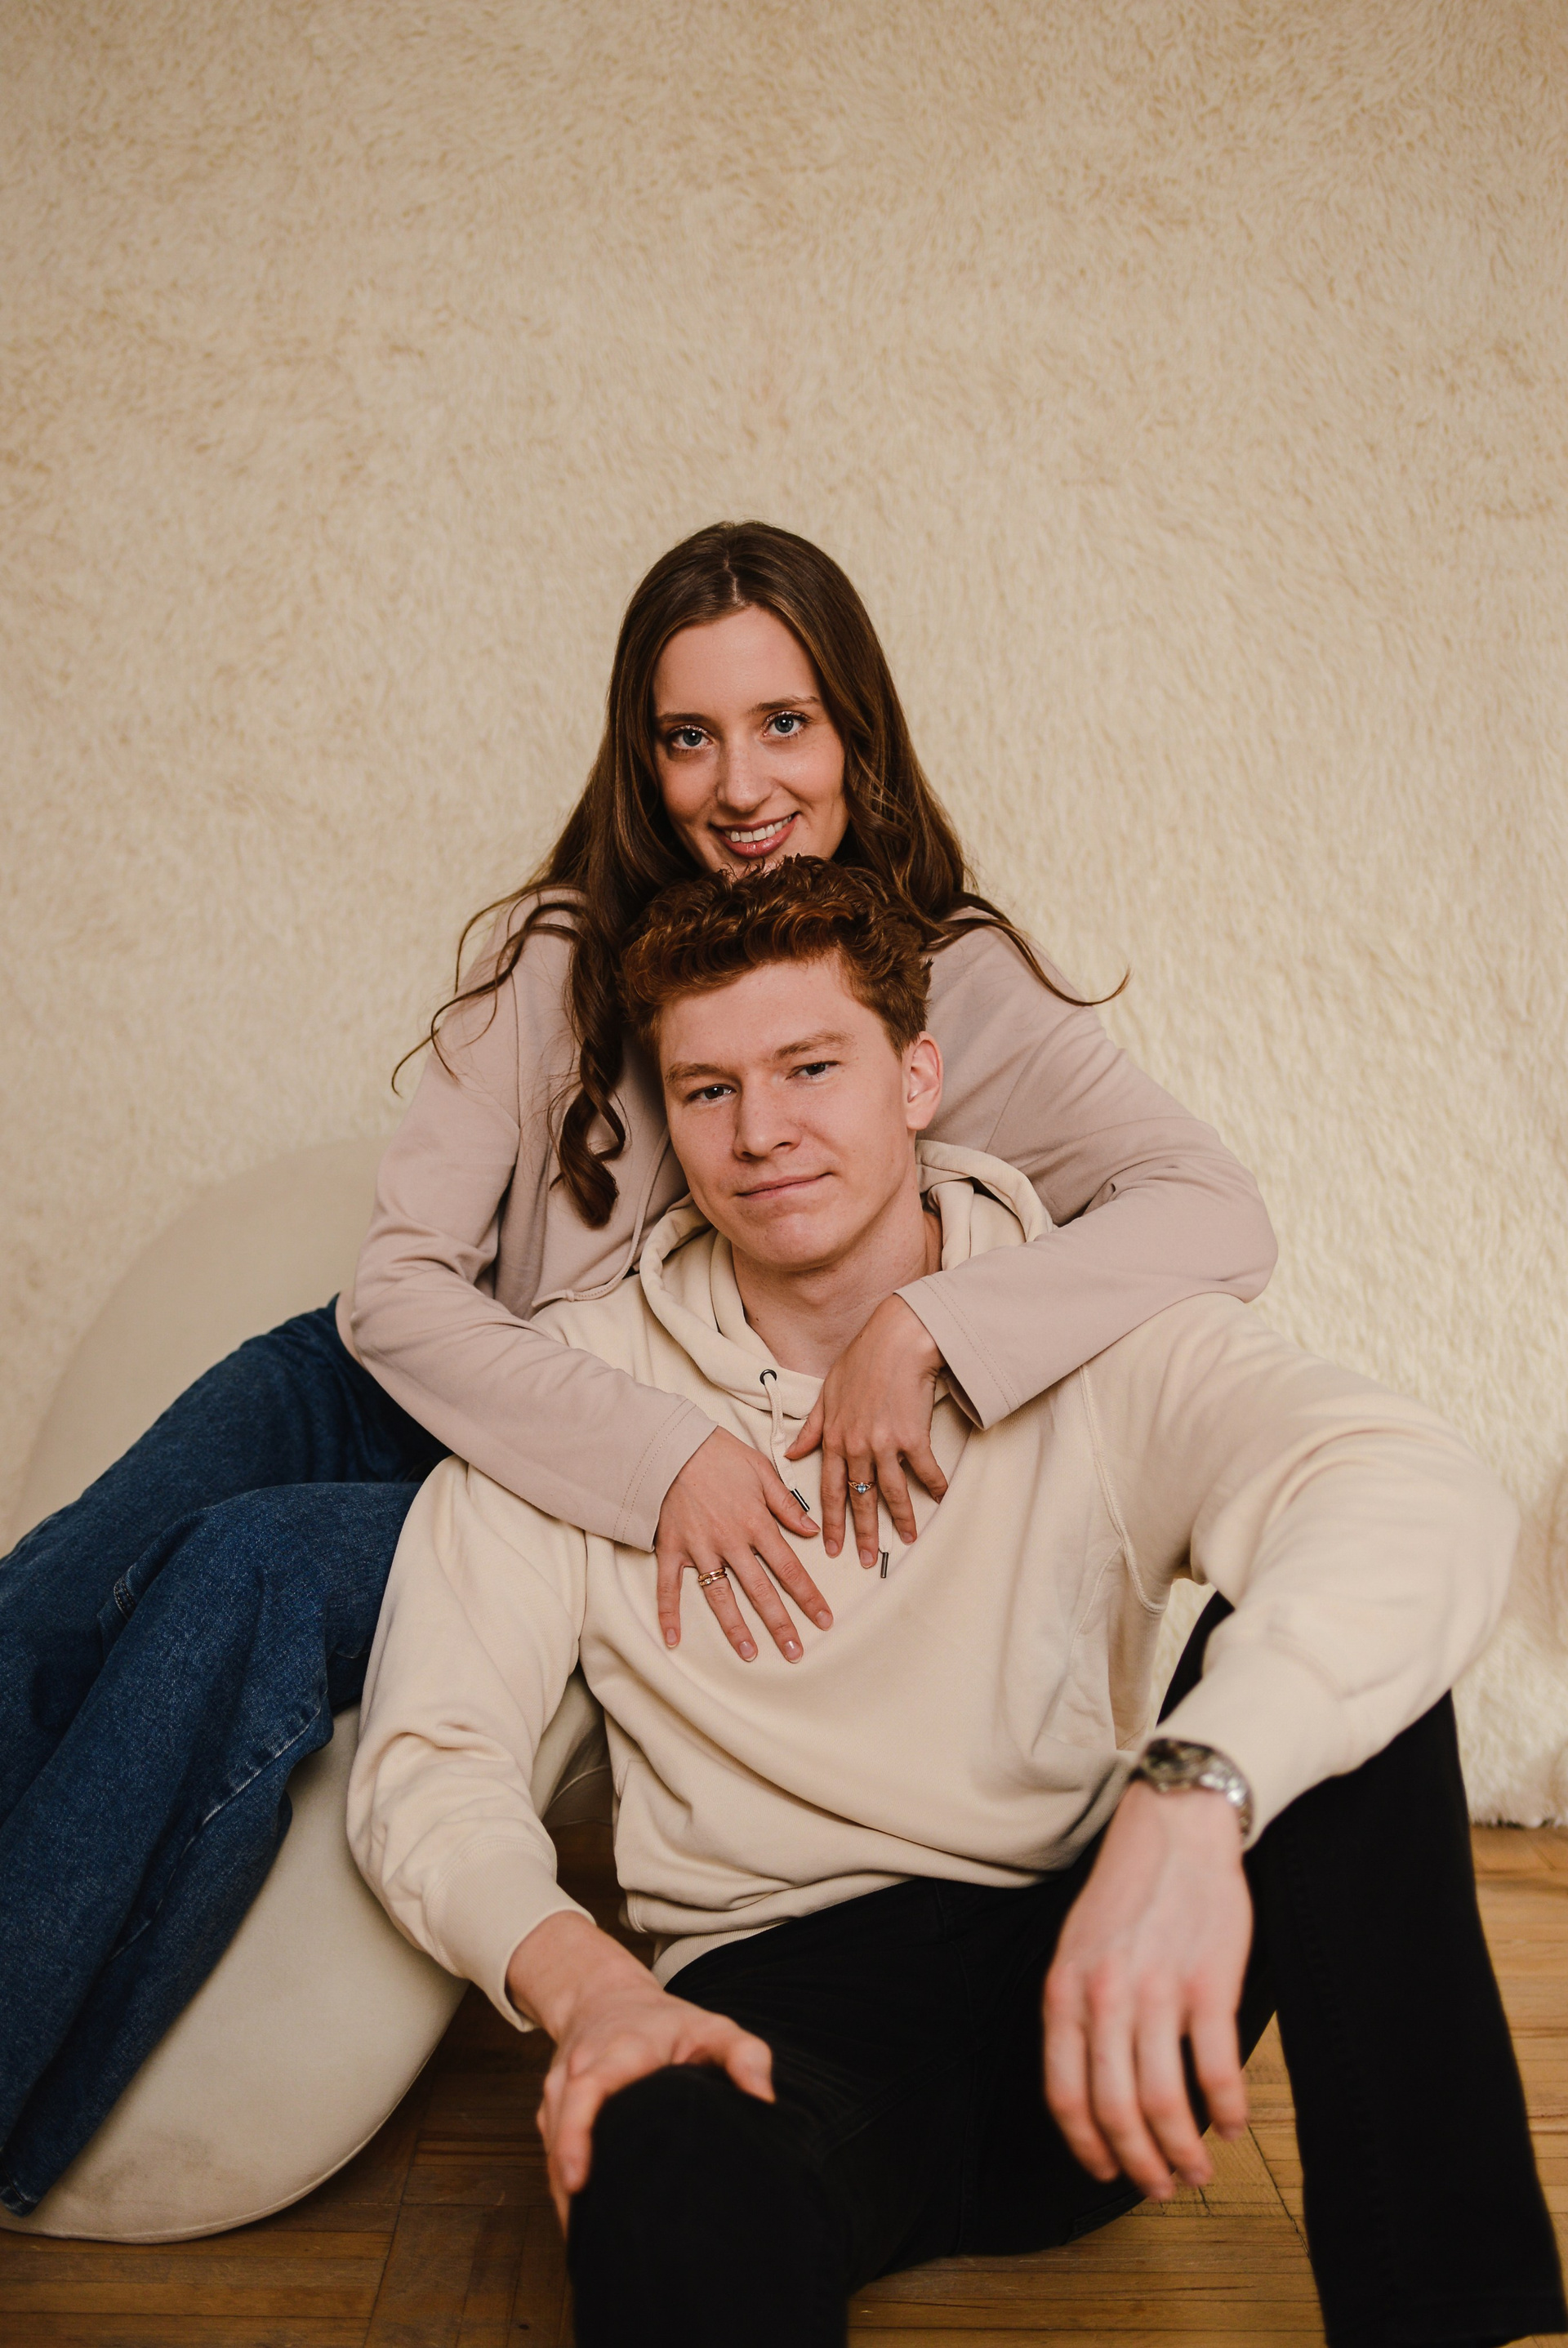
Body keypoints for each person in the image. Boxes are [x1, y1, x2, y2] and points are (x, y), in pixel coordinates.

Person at [0, 521, 1277, 2215]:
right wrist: (655, 1449)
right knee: (45, 1602)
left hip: (525, 1489)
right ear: (641, 753)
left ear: (857, 734)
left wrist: (931, 1331)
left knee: (236, 1575)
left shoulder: (945, 982)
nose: (738, 785)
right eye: (689, 736)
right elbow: (397, 1294)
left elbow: (1212, 1210)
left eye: (784, 724)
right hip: (403, 1381)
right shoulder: (562, 950)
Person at [352, 858, 1564, 2348]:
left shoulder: (1092, 1331)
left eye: (811, 1067)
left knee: (1357, 1690)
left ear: (917, 1077)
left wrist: (1192, 1799)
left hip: (1092, 1970)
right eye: (710, 1090)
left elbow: (1413, 1491)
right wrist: (593, 1993)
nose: (762, 1130)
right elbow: (428, 1766)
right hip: (778, 2010)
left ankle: (1448, 2326)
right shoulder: (579, 1393)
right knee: (650, 2148)